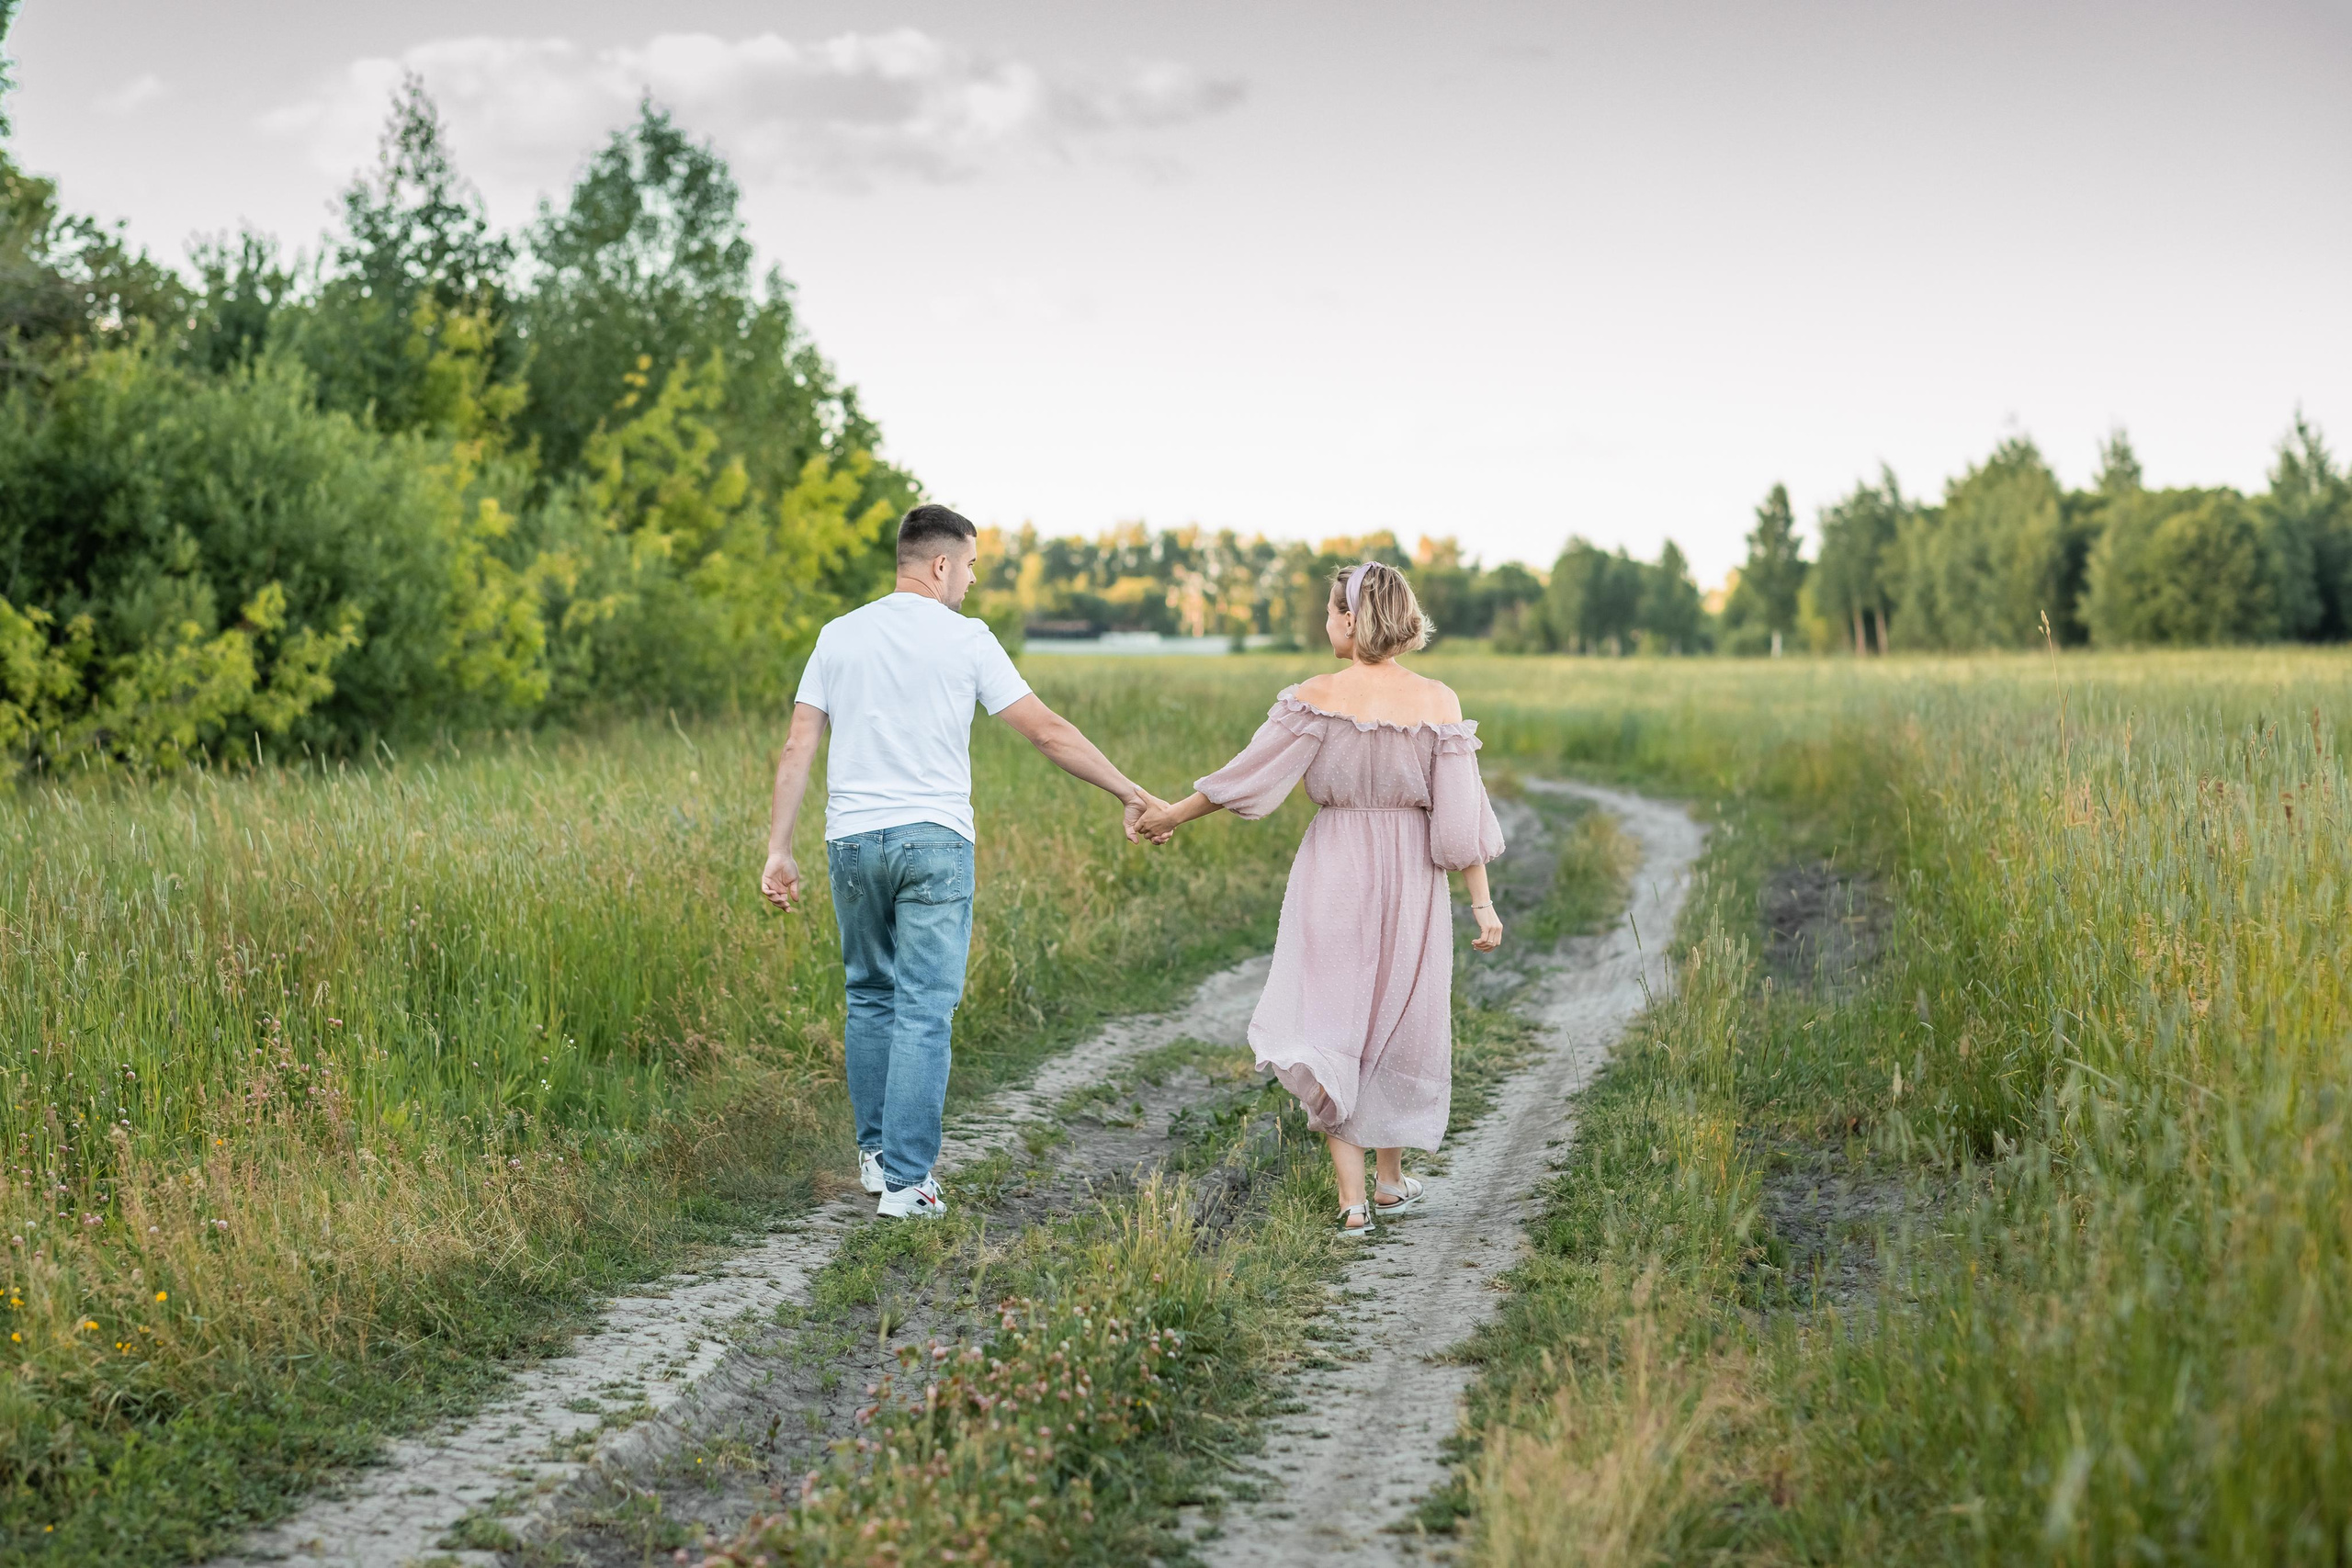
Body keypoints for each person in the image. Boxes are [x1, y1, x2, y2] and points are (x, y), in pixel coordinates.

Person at [761, 504, 1165, 1219]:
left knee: (869, 994)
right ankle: (909, 1185)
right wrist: (1128, 791)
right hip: (934, 841)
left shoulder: (837, 635)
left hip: (851, 841)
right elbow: (1046, 731)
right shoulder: (967, 639)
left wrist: (778, 848)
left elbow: (799, 745)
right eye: (971, 566)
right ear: (942, 564)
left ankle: (880, 1159)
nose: (972, 581)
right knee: (923, 1007)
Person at [1139, 561, 1504, 1235]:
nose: (1325, 622)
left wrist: (1170, 815)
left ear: (1349, 618)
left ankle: (1358, 1199)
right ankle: (1390, 1179)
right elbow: (1460, 822)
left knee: (1337, 1019)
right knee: (1397, 1017)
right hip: (1414, 872)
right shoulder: (1439, 703)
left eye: (1329, 611)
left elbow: (1246, 777)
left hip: (1336, 864)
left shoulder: (1315, 696)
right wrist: (1481, 904)